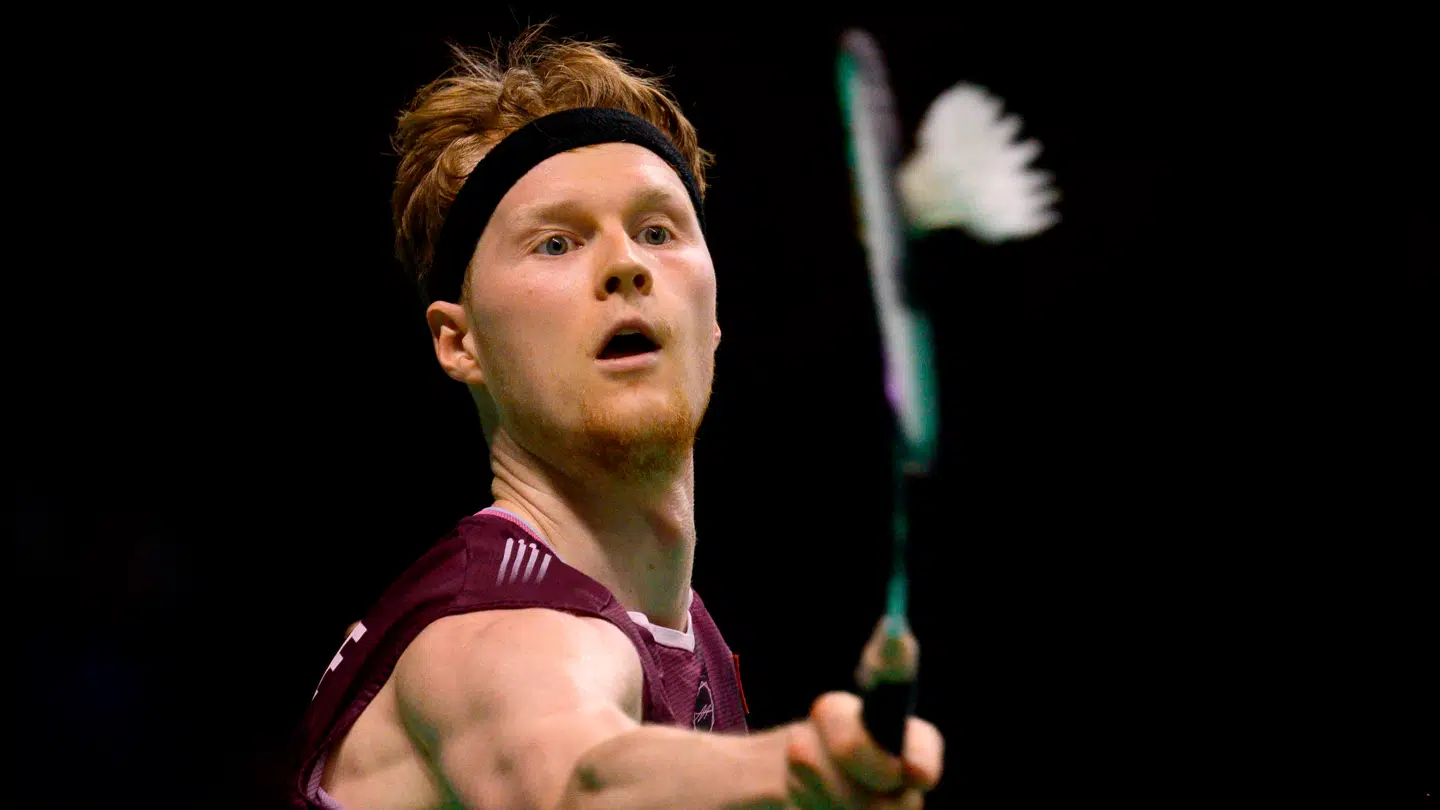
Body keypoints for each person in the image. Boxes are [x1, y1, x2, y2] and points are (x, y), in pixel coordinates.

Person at [287, 24, 944, 810]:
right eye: (556, 243)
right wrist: (792, 772)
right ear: (460, 343)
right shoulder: (493, 631)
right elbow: (581, 782)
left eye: (657, 231)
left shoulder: (682, 632)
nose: (627, 265)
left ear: (712, 318)